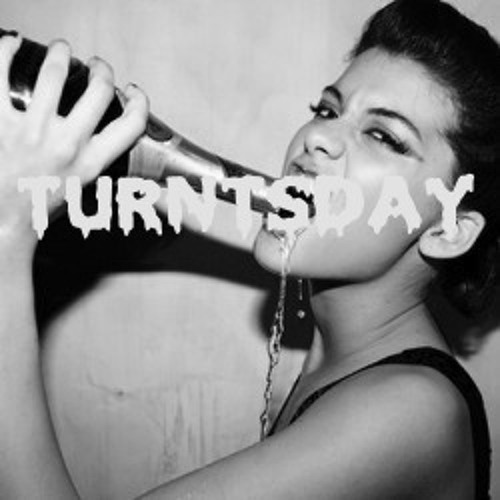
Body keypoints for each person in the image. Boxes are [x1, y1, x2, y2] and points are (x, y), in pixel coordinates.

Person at [0, 0, 496, 498]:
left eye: (384, 136)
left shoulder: (411, 409)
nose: (319, 137)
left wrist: (8, 233)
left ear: (449, 229)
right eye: (328, 110)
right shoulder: (343, 360)